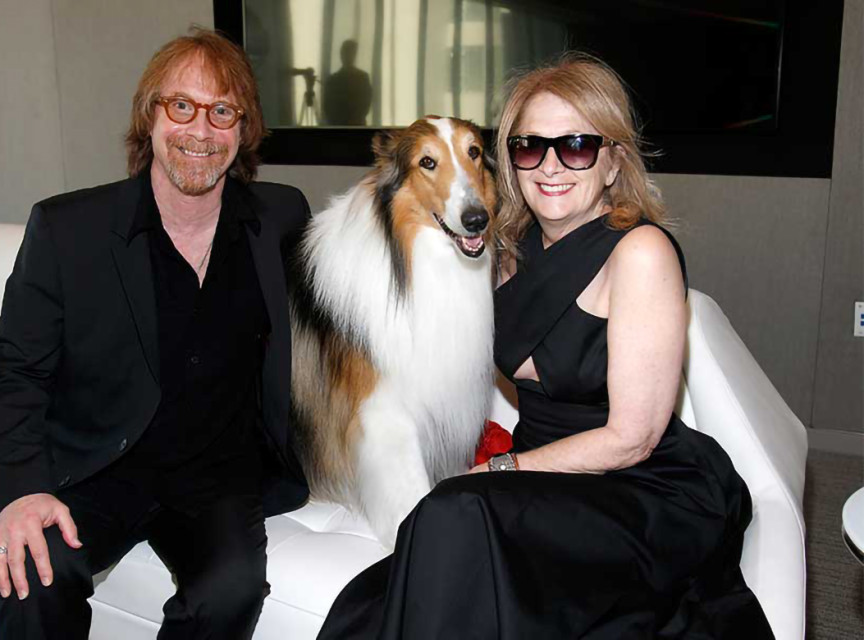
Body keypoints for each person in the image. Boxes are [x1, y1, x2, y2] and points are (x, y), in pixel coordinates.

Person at [318, 54, 773, 638]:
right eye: (530, 147)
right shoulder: (503, 251)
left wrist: (499, 468)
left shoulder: (640, 254)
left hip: (635, 487)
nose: (551, 166)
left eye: (577, 146)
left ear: (612, 162)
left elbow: (631, 439)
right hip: (543, 482)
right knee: (444, 539)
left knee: (450, 515)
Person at [0, 27, 310, 639]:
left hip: (218, 473)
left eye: (222, 111)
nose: (201, 131)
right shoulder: (66, 229)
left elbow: (362, 268)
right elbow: (15, 372)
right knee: (34, 574)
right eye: (181, 106)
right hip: (98, 464)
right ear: (150, 116)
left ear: (244, 129)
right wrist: (20, 492)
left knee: (230, 593)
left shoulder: (281, 216)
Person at [322, 39, 373, 126]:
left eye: (350, 53)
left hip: (347, 125)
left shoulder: (333, 79)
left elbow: (366, 104)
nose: (348, 56)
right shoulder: (362, 77)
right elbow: (327, 107)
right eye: (346, 53)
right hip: (351, 125)